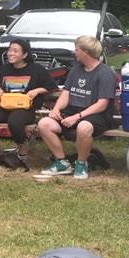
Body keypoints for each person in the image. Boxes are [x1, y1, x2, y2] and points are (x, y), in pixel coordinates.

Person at [37, 36, 118, 178]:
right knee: (44, 124)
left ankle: (81, 164)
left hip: (97, 114)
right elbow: (66, 93)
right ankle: (61, 162)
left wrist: (78, 117)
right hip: (73, 110)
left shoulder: (105, 74)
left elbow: (102, 104)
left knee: (83, 127)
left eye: (77, 49)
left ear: (86, 52)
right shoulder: (76, 69)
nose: (74, 52)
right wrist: (56, 109)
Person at [0, 38, 55, 169]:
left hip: (26, 109)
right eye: (10, 50)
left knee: (14, 122)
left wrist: (37, 91)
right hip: (6, 106)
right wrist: (0, 90)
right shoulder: (6, 68)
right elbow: (0, 84)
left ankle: (22, 152)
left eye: (15, 51)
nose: (11, 53)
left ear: (25, 54)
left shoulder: (36, 69)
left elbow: (52, 86)